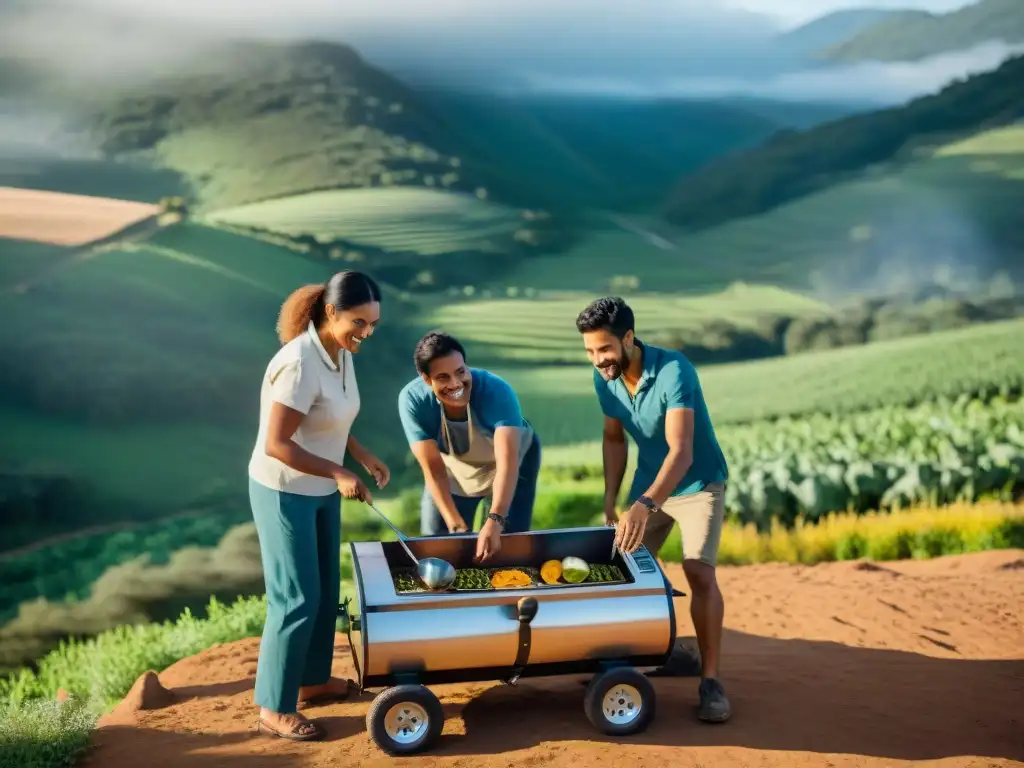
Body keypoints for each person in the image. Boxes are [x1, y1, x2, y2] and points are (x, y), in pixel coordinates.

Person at [247, 270, 391, 742]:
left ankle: (310, 682)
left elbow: (330, 416)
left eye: (372, 324)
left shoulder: (339, 351)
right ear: (331, 313)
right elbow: (276, 443)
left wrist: (361, 455)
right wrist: (338, 472)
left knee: (326, 591)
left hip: (323, 487)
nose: (366, 333)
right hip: (285, 489)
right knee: (295, 599)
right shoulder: (299, 362)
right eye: (358, 322)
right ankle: (273, 705)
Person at [575, 296, 732, 724]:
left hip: (699, 483)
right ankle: (635, 659)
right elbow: (613, 439)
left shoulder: (674, 370)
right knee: (623, 569)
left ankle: (711, 680)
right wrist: (611, 499)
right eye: (589, 351)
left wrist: (644, 504)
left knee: (698, 570)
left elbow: (681, 452)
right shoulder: (603, 378)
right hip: (648, 483)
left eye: (604, 349)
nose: (597, 359)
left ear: (629, 338)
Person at [397, 331, 541, 561]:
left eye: (460, 371)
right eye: (443, 377)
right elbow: (433, 470)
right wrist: (455, 525)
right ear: (426, 379)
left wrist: (495, 520)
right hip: (453, 469)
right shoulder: (413, 401)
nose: (455, 383)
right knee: (440, 543)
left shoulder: (496, 391)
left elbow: (507, 463)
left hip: (513, 460)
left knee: (508, 544)